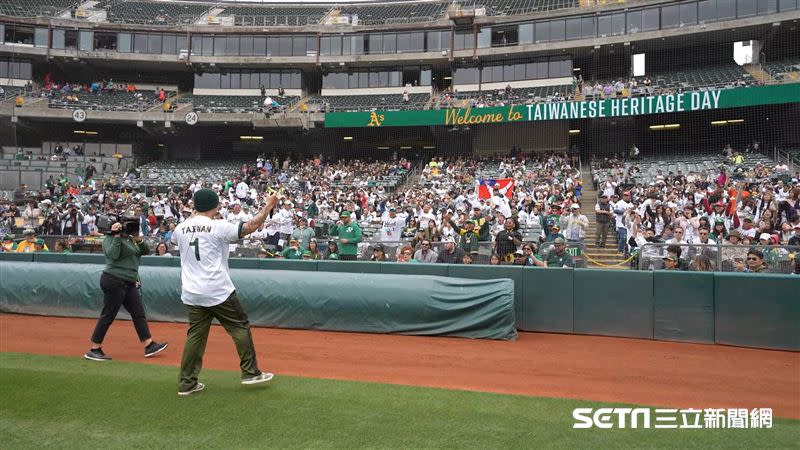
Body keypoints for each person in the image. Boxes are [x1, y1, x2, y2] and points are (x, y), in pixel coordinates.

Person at [171, 188, 278, 396]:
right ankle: (250, 372)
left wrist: (194, 217)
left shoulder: (180, 228)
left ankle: (187, 382)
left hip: (192, 291)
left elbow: (177, 241)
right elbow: (251, 226)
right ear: (216, 206)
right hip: (218, 289)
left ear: (194, 205)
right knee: (240, 327)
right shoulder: (218, 226)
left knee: (195, 336)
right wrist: (269, 205)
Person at [84, 221, 168, 362]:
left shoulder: (130, 239)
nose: (126, 229)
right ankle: (94, 348)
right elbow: (113, 255)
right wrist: (116, 236)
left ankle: (149, 345)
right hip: (113, 280)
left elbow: (145, 251)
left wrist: (138, 239)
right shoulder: (109, 239)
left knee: (138, 313)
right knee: (108, 315)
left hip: (129, 282)